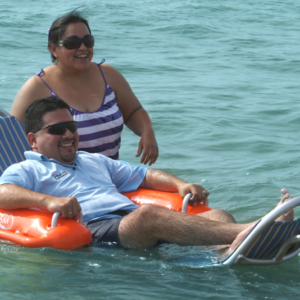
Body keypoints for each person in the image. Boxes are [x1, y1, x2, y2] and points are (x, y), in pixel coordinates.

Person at [0, 98, 293, 249]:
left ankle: (229, 249)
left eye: (72, 127)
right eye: (57, 130)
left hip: (127, 219)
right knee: (148, 215)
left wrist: (180, 184)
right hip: (99, 232)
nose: (68, 134)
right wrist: (50, 201)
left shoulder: (92, 160)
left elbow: (145, 175)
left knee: (218, 215)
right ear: (33, 140)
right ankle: (258, 229)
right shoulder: (28, 168)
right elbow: (2, 193)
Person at [10, 10, 158, 165]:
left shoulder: (108, 75)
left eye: (88, 41)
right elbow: (12, 139)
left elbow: (133, 111)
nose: (83, 48)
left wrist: (147, 132)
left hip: (112, 176)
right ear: (54, 49)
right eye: (72, 43)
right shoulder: (37, 87)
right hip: (64, 181)